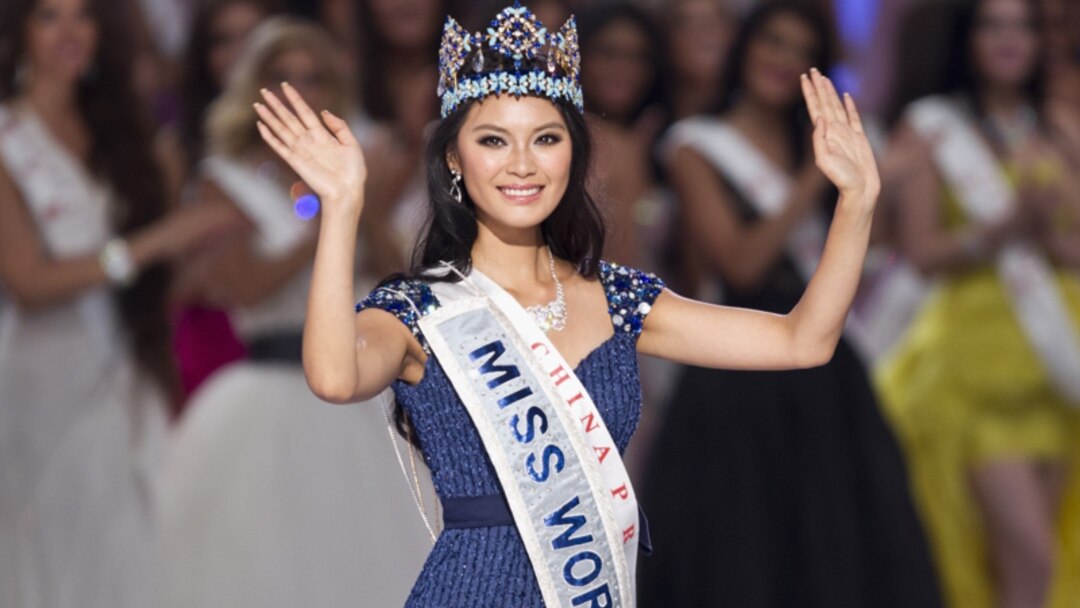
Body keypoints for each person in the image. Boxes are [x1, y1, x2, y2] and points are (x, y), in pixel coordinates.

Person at [253, 2, 879, 605]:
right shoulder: (420, 308)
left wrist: (856, 202)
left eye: (546, 139)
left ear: (573, 153)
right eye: (494, 141)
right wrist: (340, 209)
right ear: (454, 157)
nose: (522, 164)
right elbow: (335, 378)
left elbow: (804, 341)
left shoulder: (622, 299)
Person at [637, 3, 942, 607]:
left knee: (840, 541)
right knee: (746, 550)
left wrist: (881, 187)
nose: (780, 60)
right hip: (739, 367)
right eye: (771, 41)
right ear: (746, 46)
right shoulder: (696, 147)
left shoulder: (832, 146)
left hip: (827, 373)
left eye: (798, 49)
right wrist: (816, 176)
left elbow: (869, 256)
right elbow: (742, 264)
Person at [154, 18, 431, 608]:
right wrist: (335, 209)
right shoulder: (224, 179)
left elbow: (399, 280)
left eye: (317, 78)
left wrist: (369, 208)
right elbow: (247, 288)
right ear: (258, 87)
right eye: (284, 77)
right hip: (265, 392)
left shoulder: (370, 160)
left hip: (358, 394)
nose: (303, 90)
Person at [0, 0, 237, 606]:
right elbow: (28, 280)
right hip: (43, 379)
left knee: (141, 547)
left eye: (82, 17)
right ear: (20, 29)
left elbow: (161, 279)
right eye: (49, 16)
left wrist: (213, 237)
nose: (69, 33)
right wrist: (153, 242)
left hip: (130, 368)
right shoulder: (9, 138)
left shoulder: (124, 135)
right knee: (54, 552)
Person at [878, 0, 1080, 606]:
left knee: (1047, 551)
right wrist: (999, 231)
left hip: (1058, 360)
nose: (1009, 39)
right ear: (968, 39)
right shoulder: (932, 127)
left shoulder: (1061, 126)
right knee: (1027, 553)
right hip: (973, 367)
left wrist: (1045, 232)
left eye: (1022, 26)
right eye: (993, 25)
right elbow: (917, 251)